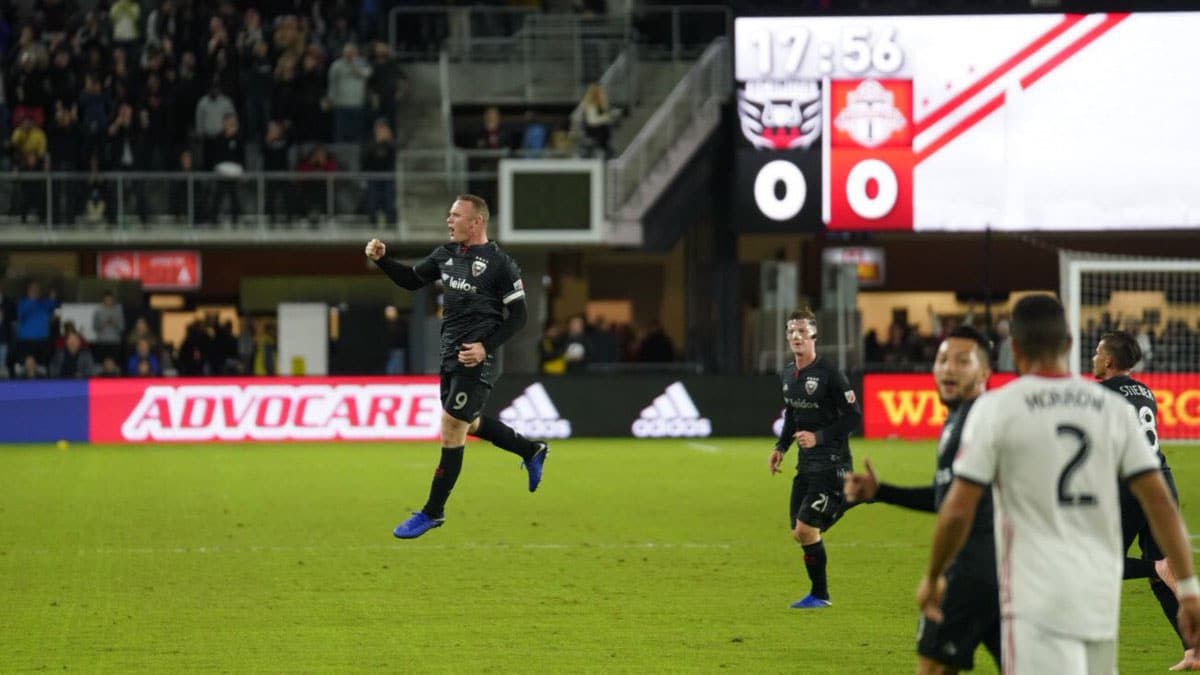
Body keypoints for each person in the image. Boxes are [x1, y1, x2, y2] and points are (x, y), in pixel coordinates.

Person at [918, 294, 1200, 674]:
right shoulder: (1110, 408)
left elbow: (957, 507)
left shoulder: (996, 408)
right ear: (1068, 345)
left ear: (1014, 349)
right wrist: (1188, 587)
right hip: (1092, 603)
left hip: (1033, 591)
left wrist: (934, 575)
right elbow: (1161, 505)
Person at [365, 194, 549, 539]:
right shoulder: (445, 256)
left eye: (455, 215)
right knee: (468, 422)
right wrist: (383, 259)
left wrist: (484, 347)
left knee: (452, 425)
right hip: (451, 356)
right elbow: (411, 280)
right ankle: (530, 449)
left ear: (476, 222)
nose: (449, 221)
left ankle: (433, 511)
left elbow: (520, 316)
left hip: (480, 359)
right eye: (449, 215)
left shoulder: (500, 264)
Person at [845, 326, 999, 673]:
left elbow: (957, 512)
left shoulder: (978, 419)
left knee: (931, 668)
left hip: (969, 573)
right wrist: (881, 492)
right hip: (1003, 576)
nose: (948, 368)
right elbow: (947, 496)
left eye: (962, 361)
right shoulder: (961, 418)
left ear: (985, 371)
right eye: (942, 359)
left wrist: (933, 576)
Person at [1093, 330, 1198, 671]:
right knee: (1160, 579)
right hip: (1161, 481)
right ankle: (1194, 650)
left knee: (1098, 566)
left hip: (1129, 485)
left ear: (1108, 360)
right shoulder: (1145, 391)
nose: (1093, 357)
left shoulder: (1099, 394)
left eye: (1097, 352)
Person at [769, 308, 862, 609]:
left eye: (802, 331)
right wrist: (781, 447)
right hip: (806, 465)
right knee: (799, 532)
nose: (796, 336)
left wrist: (818, 437)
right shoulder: (787, 374)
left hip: (832, 462)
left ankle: (820, 596)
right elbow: (793, 415)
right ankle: (850, 498)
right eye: (791, 331)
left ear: (814, 336)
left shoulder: (830, 374)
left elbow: (853, 418)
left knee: (807, 529)